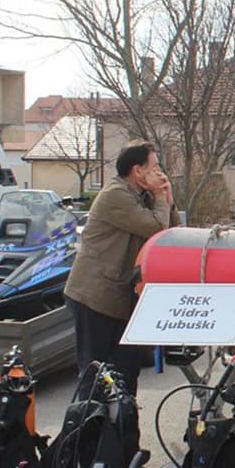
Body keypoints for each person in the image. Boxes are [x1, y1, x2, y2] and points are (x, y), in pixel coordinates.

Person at [63, 142, 180, 400]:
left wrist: (168, 201)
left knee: (127, 374)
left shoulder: (143, 197)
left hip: (123, 299)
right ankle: (86, 436)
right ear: (137, 171)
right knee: (96, 375)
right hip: (95, 298)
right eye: (155, 167)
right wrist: (160, 200)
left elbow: (171, 235)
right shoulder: (115, 195)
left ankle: (125, 439)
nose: (161, 174)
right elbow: (154, 230)